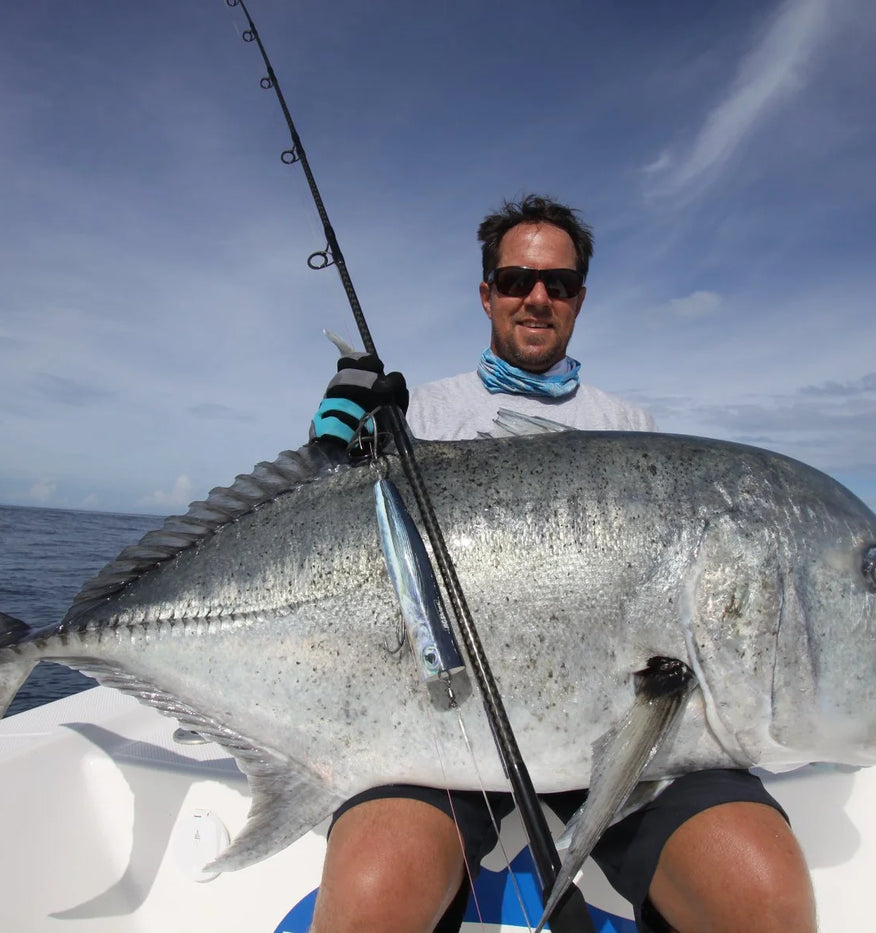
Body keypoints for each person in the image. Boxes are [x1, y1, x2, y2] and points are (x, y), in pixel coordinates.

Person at [309, 195, 816, 933]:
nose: (537, 297)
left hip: (624, 737)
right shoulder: (417, 413)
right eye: (516, 280)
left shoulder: (630, 428)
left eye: (561, 283)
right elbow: (331, 560)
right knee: (370, 900)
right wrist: (334, 449)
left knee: (764, 900)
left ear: (580, 297)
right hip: (442, 728)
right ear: (487, 293)